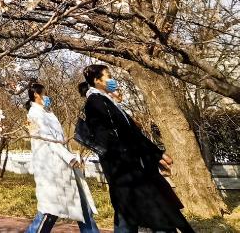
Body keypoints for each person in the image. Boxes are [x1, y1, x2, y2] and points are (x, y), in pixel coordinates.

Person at [78, 65, 195, 233]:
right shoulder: (95, 102)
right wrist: (136, 156)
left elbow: (132, 133)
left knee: (130, 215)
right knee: (154, 214)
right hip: (124, 169)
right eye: (108, 76)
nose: (112, 80)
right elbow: (110, 137)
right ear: (97, 81)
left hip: (128, 169)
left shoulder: (105, 101)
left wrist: (156, 154)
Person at [25, 81, 100, 233]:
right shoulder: (34, 114)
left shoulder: (47, 113)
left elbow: (59, 139)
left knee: (83, 206)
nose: (48, 97)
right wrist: (69, 158)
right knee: (49, 212)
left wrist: (69, 157)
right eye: (45, 94)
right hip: (51, 169)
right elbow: (49, 140)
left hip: (63, 167)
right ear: (36, 95)